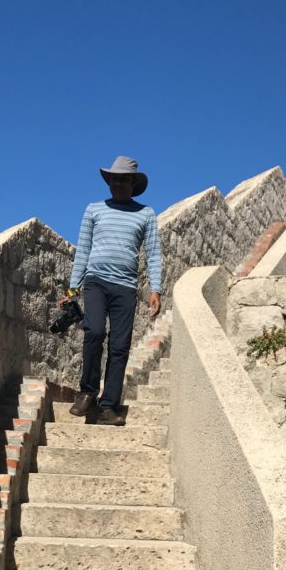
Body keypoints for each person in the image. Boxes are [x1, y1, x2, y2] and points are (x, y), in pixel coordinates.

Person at [62, 156, 162, 426]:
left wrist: (157, 289)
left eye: (125, 179)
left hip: (126, 287)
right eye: (115, 179)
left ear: (133, 184)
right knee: (94, 331)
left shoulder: (146, 214)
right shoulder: (94, 210)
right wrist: (73, 288)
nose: (119, 183)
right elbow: (82, 249)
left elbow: (153, 253)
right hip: (95, 281)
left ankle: (109, 406)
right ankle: (87, 392)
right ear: (109, 182)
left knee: (120, 347)